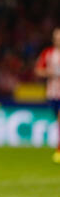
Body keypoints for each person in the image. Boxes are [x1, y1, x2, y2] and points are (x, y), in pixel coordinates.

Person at [35, 27, 60, 163]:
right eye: (56, 37)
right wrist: (49, 73)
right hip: (53, 93)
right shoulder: (48, 53)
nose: (58, 40)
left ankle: (59, 150)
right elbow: (38, 70)